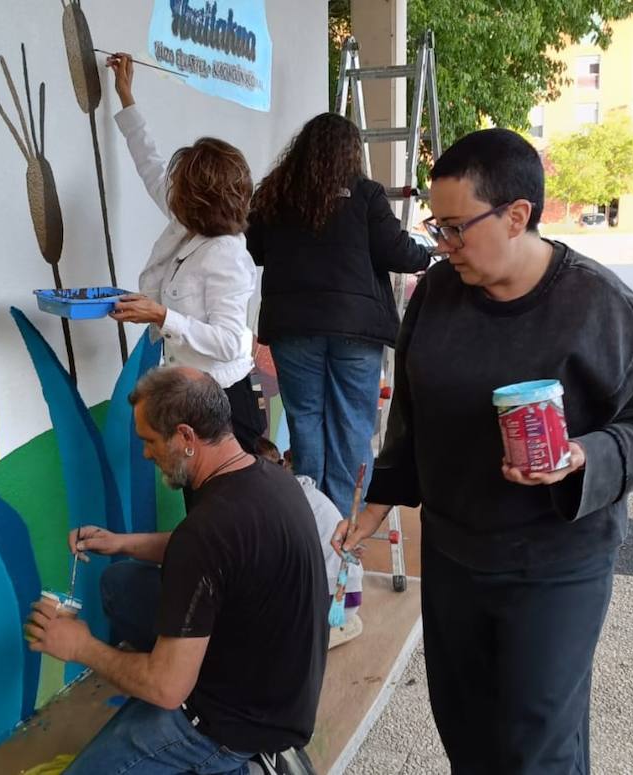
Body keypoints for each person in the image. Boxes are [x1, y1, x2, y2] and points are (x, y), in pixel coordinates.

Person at [333, 129, 633, 774]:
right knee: (465, 723)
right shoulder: (436, 294)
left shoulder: (599, 304)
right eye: (438, 227)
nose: (444, 245)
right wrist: (377, 505)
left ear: (516, 216)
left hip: (556, 561)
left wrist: (578, 457)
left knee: (535, 740)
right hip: (457, 552)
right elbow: (413, 415)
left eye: (457, 228)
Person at [26, 367, 328, 774]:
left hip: (234, 724)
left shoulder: (207, 531)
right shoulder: (266, 477)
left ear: (186, 437)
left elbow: (167, 689)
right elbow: (213, 554)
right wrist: (121, 543)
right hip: (282, 690)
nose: (147, 454)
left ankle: (244, 765)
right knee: (121, 583)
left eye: (150, 441)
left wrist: (79, 646)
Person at [246, 113, 431, 516]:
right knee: (352, 425)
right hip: (356, 329)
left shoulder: (274, 194)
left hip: (292, 328)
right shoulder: (365, 194)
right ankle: (344, 527)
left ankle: (313, 520)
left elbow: (255, 250)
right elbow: (396, 251)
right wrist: (428, 253)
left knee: (306, 421)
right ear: (352, 152)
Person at [105, 53, 265, 455]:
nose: (171, 187)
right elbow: (149, 164)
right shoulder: (186, 219)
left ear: (200, 199)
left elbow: (231, 342)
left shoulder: (225, 253)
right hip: (193, 396)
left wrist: (161, 315)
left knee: (226, 512)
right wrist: (126, 97)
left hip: (226, 404)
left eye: (181, 185)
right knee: (202, 505)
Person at [255, 437, 365, 648]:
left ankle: (323, 631)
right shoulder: (295, 490)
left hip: (336, 598)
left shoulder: (279, 503)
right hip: (345, 592)